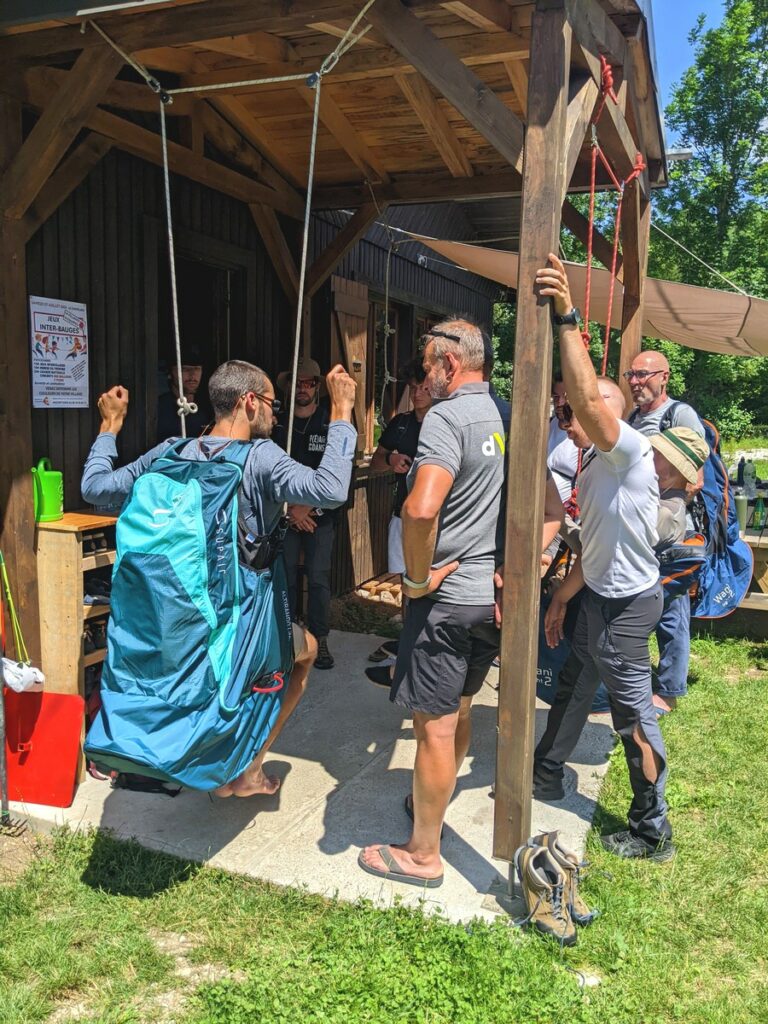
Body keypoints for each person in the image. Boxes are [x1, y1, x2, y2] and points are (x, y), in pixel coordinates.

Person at [81, 359, 357, 797]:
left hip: (184, 613)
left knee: (246, 674)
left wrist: (110, 426)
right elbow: (331, 489)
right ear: (249, 402)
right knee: (303, 656)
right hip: (245, 611)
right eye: (271, 402)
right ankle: (247, 771)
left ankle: (230, 766)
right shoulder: (261, 458)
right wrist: (342, 413)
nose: (275, 412)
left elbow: (94, 488)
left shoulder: (170, 451)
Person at [359, 320, 562, 887]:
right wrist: (523, 567)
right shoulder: (511, 416)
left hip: (446, 603)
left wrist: (418, 579)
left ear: (449, 365)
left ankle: (423, 853)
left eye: (426, 367)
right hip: (496, 604)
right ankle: (433, 806)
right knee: (463, 709)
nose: (424, 379)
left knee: (435, 730)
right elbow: (553, 512)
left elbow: (421, 511)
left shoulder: (447, 417)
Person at [533, 254, 674, 862]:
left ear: (609, 413)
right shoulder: (593, 464)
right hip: (599, 596)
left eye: (578, 410)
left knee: (631, 714)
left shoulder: (628, 451)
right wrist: (562, 597)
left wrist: (567, 316)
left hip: (627, 606)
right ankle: (545, 769)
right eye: (565, 411)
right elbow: (594, 546)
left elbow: (592, 401)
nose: (571, 416)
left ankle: (652, 827)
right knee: (575, 678)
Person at [625, 351, 706, 714]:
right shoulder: (632, 418)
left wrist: (661, 508)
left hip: (670, 528)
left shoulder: (679, 414)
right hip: (641, 526)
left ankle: (670, 689)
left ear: (664, 377)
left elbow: (694, 477)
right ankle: (641, 680)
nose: (635, 381)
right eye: (631, 374)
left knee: (672, 609)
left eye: (643, 375)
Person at [273, 357, 340, 671]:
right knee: (282, 577)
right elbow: (264, 474)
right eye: (296, 383)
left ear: (318, 386)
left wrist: (308, 508)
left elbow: (343, 479)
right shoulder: (276, 425)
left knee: (318, 578)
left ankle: (318, 638)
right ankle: (286, 638)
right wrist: (289, 510)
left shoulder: (331, 424)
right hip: (283, 516)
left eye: (309, 382)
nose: (302, 388)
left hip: (319, 516)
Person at [367, 358, 432, 664]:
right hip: (403, 512)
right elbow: (376, 462)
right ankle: (408, 640)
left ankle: (429, 644)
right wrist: (391, 460)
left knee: (433, 579)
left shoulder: (446, 423)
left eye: (423, 387)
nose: (418, 393)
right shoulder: (400, 423)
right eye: (413, 387)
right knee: (408, 581)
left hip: (439, 518)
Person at [651, 427, 710, 550]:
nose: (650, 455)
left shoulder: (664, 514)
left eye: (658, 453)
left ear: (671, 471)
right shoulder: (666, 505)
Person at [156, 350, 211, 442]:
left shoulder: (208, 407)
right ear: (170, 373)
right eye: (185, 369)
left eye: (197, 369)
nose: (192, 375)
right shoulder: (158, 408)